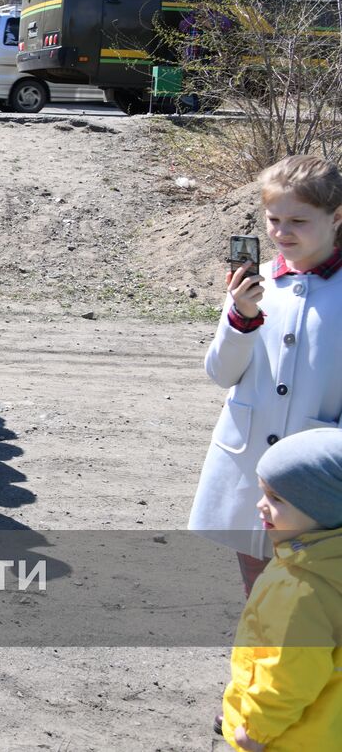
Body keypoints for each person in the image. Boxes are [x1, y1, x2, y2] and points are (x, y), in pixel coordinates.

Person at [189, 154, 342, 594]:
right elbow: (221, 373)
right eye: (273, 219)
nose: (281, 232)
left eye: (298, 220)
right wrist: (242, 316)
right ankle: (259, 660)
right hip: (249, 463)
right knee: (257, 582)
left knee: (315, 587)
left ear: (336, 218)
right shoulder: (256, 286)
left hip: (317, 470)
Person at [218, 427, 342, 752]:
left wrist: (257, 729)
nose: (260, 505)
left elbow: (288, 674)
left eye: (276, 499)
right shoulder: (325, 559)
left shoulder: (300, 586)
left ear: (322, 510)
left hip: (291, 737)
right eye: (263, 493)